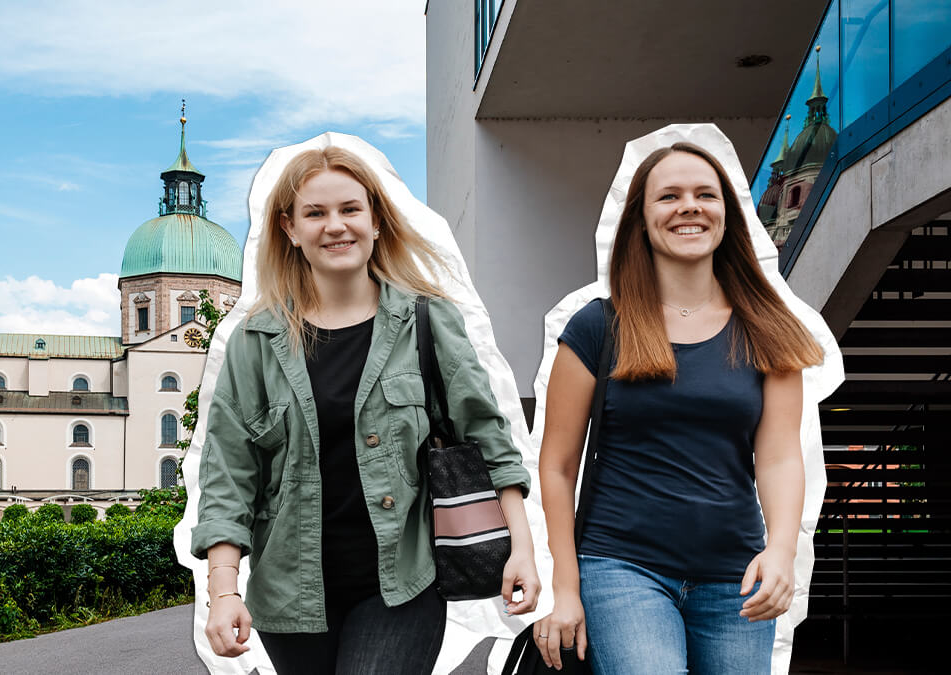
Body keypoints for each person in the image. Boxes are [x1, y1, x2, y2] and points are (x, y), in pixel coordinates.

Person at [190, 146, 540, 675]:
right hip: (292, 598)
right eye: (315, 213)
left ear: (375, 219)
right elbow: (229, 472)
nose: (336, 226)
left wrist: (522, 548)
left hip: (403, 583)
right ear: (289, 228)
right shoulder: (255, 341)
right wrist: (222, 593)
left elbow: (488, 436)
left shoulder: (427, 320)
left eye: (350, 209)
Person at [533, 141, 824, 674]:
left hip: (736, 576)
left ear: (726, 216)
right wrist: (566, 587)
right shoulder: (598, 326)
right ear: (642, 221)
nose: (688, 206)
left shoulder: (769, 329)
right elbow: (556, 467)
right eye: (668, 196)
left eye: (704, 195)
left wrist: (781, 551)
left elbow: (780, 456)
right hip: (621, 568)